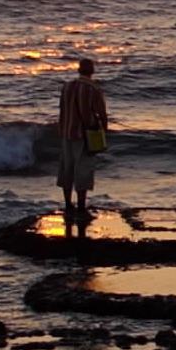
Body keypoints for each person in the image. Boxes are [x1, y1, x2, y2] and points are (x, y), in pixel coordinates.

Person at [57, 57, 109, 231]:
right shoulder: (93, 88)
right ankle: (80, 208)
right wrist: (104, 130)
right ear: (92, 70)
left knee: (67, 168)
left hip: (66, 133)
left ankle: (67, 205)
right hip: (84, 136)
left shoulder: (67, 87)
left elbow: (62, 110)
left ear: (79, 70)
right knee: (83, 169)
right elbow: (101, 113)